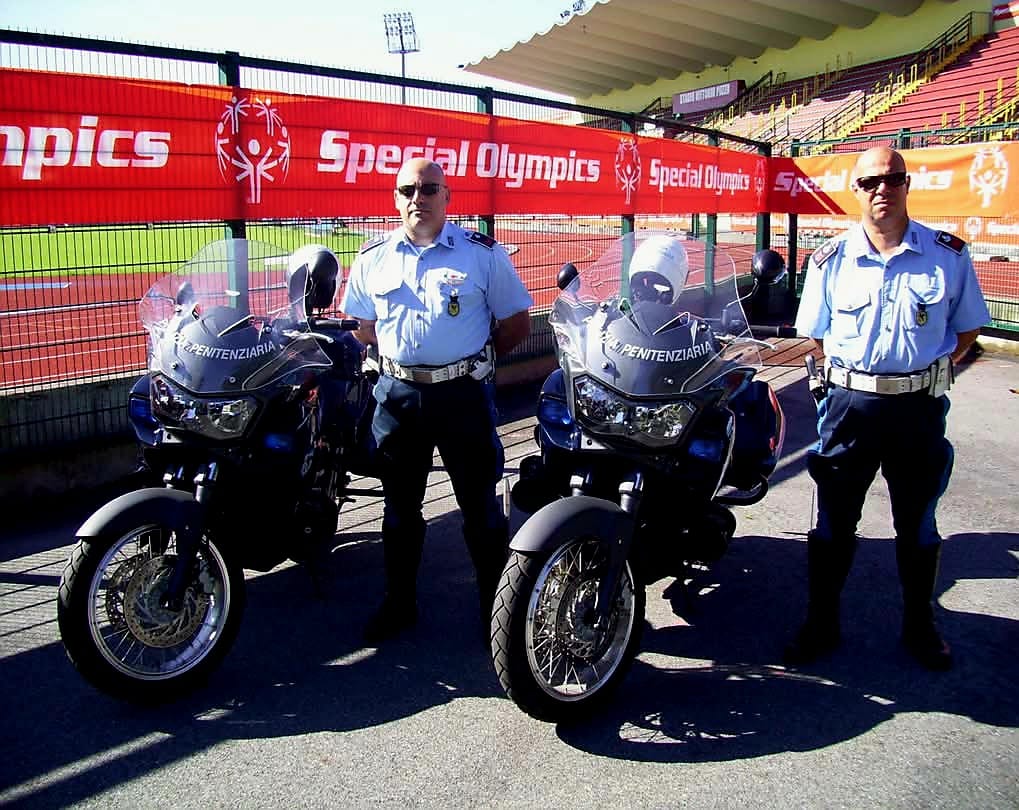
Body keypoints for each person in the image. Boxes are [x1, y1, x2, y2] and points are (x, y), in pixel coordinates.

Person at [789, 145, 991, 671]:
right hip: (849, 408)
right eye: (870, 182)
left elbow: (967, 328)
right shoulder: (830, 259)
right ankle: (821, 624)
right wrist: (853, 378)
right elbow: (815, 334)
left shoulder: (947, 255)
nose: (883, 189)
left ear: (907, 184)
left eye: (893, 178)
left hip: (917, 408)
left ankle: (920, 627)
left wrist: (928, 370)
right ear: (855, 190)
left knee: (918, 524)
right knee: (833, 522)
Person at [339, 157, 534, 644]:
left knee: (479, 509)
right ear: (395, 198)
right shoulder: (373, 257)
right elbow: (363, 327)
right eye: (407, 189)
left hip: (461, 396)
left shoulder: (480, 254)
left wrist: (469, 362)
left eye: (429, 189)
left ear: (447, 197)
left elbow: (516, 324)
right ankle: (399, 603)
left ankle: (495, 613)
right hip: (398, 397)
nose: (418, 198)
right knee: (399, 508)